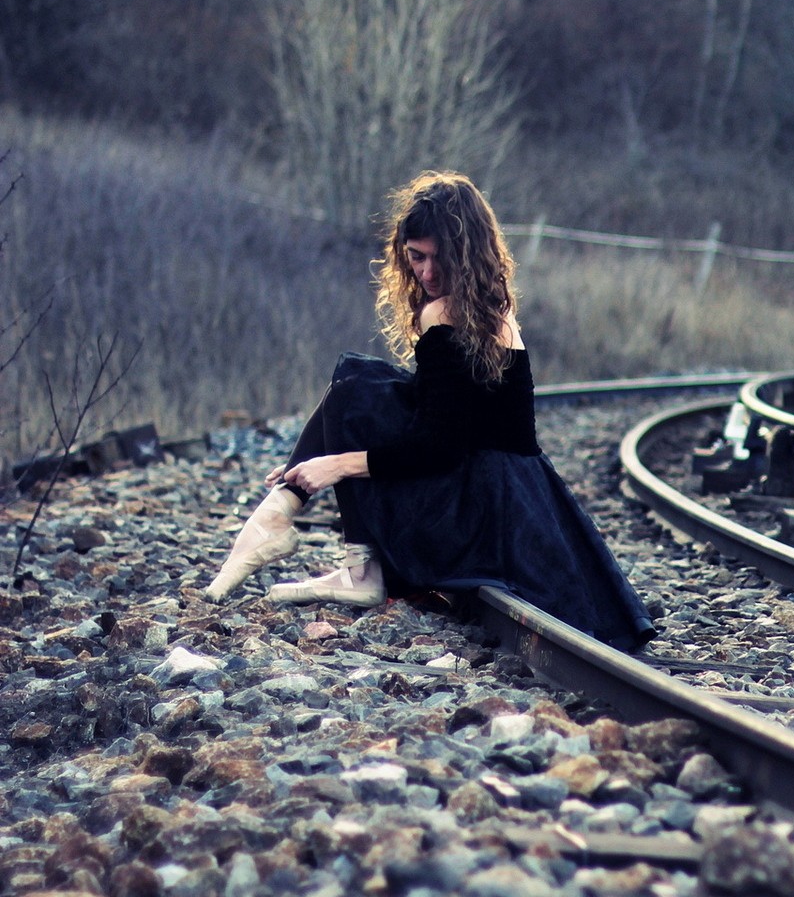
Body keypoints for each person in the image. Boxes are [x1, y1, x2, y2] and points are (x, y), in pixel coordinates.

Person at [204, 171, 657, 651]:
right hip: (516, 505)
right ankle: (289, 514)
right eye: (416, 257)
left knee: (357, 386)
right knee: (368, 386)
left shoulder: (444, 315)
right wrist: (312, 461)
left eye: (440, 258)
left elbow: (435, 448)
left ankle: (310, 538)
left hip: (479, 511)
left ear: (467, 254)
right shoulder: (491, 311)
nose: (426, 273)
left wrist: (332, 465)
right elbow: (431, 419)